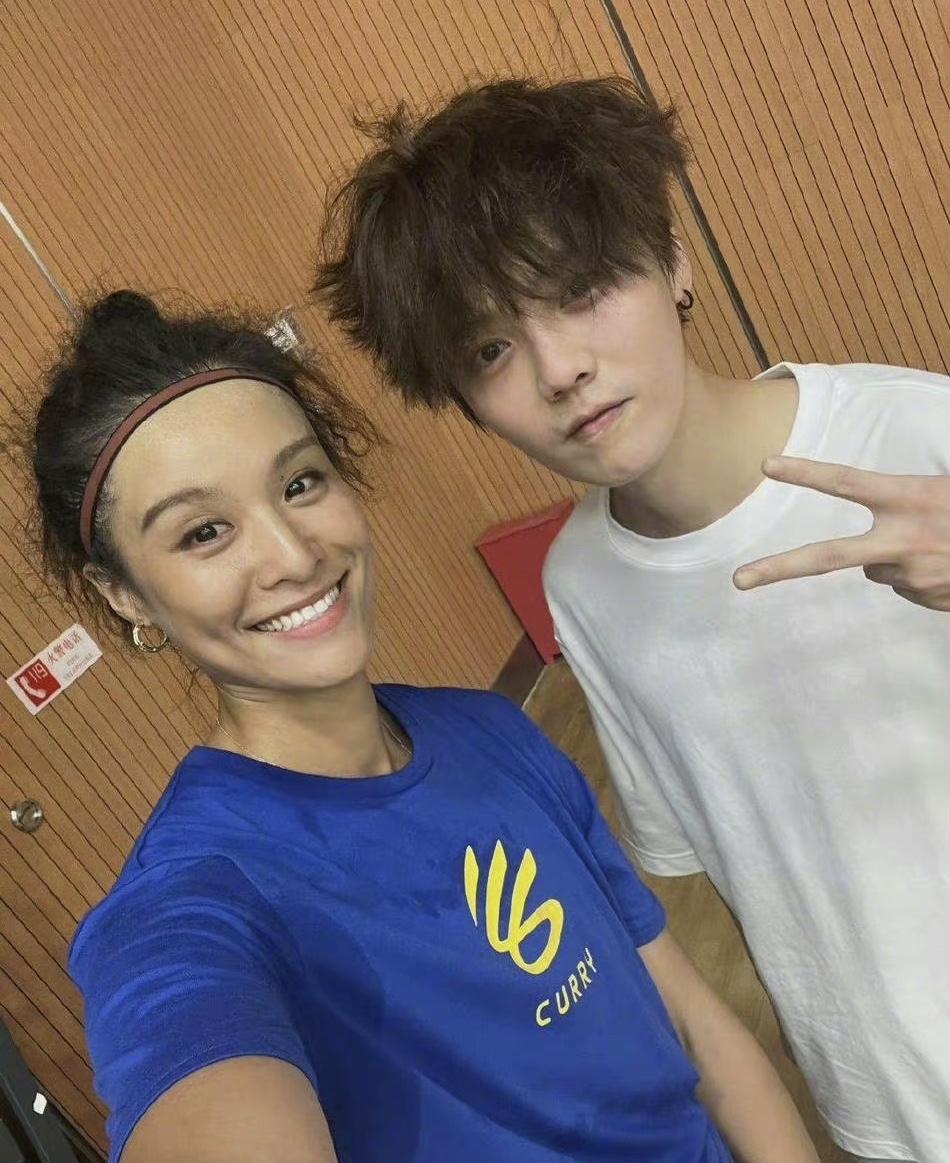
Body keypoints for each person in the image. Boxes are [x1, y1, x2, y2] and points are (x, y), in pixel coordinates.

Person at [314, 76, 950, 1163]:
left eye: (579, 288)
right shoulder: (582, 585)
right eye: (489, 350)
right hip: (882, 1101)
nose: (560, 368)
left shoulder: (912, 433)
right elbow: (736, 857)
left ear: (674, 261)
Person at [30, 290, 818, 1163]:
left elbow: (692, 1020)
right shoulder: (195, 906)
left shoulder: (492, 731)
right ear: (125, 594)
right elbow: (189, 1044)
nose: (292, 555)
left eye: (300, 483)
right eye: (205, 532)